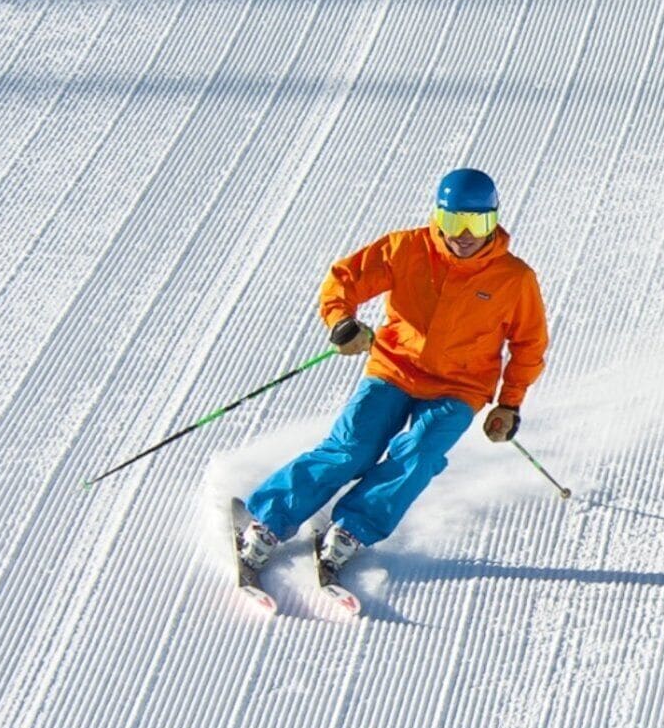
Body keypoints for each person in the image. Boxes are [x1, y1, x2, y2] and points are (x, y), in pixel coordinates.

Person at [234, 166, 549, 588]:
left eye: (477, 223)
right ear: (438, 216)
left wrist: (509, 403)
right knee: (353, 448)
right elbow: (345, 279)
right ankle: (269, 519)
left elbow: (529, 344)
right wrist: (341, 322)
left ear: (494, 221)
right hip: (395, 367)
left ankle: (352, 529)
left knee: (418, 455)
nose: (464, 235)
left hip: (459, 388)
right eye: (454, 220)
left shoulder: (514, 278)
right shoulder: (407, 248)